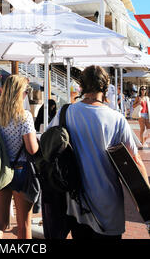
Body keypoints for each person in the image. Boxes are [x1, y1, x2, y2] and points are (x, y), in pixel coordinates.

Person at [47, 65, 149, 239]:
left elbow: (49, 145)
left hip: (77, 203)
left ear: (82, 86)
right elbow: (135, 160)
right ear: (105, 87)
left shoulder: (65, 113)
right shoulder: (116, 119)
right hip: (108, 203)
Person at [0, 75, 39, 239]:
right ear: (18, 93)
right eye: (26, 91)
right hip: (20, 170)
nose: (26, 95)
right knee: (24, 225)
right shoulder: (24, 116)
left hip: (0, 169)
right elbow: (31, 149)